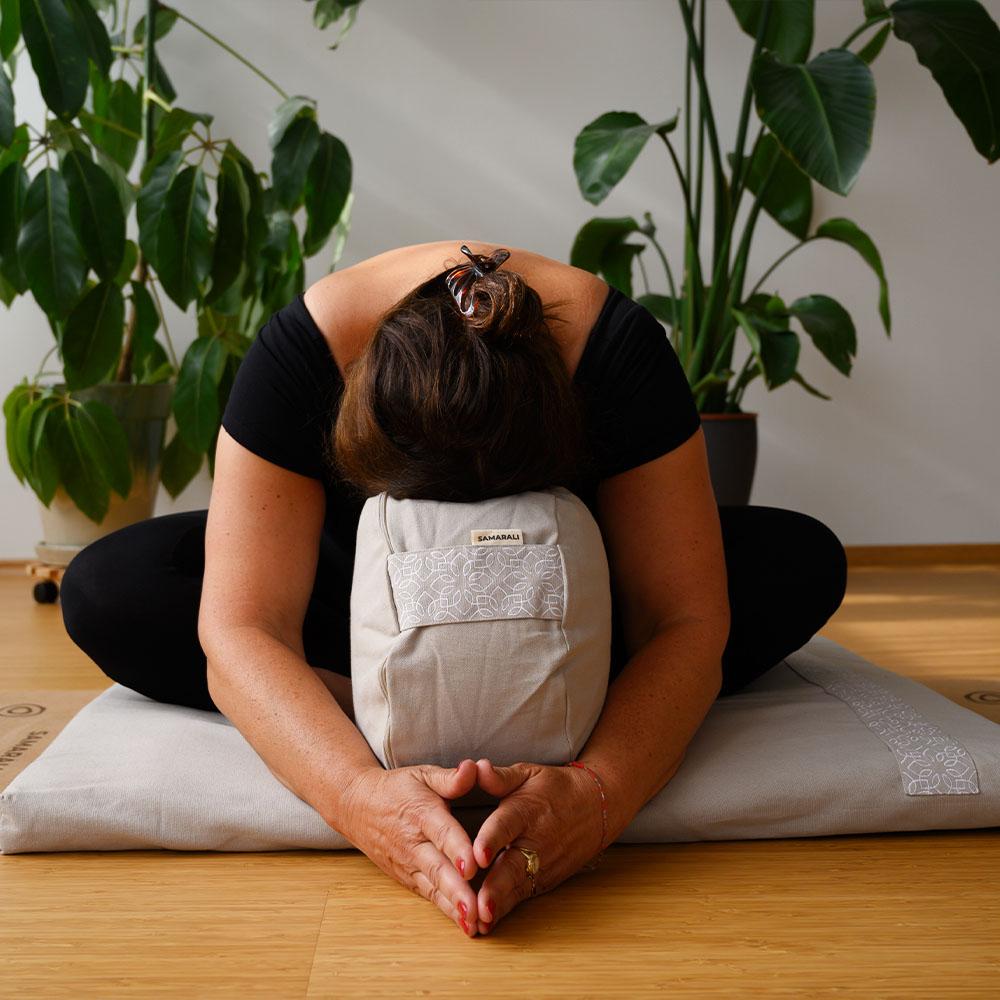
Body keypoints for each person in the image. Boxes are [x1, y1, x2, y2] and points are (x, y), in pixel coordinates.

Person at [59, 240, 847, 939]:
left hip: (569, 588)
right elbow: (240, 626)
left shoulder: (618, 357)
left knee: (800, 560)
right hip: (368, 585)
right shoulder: (302, 356)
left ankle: (503, 681)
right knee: (109, 588)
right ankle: (390, 685)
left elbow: (686, 618)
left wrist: (598, 795)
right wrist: (356, 796)